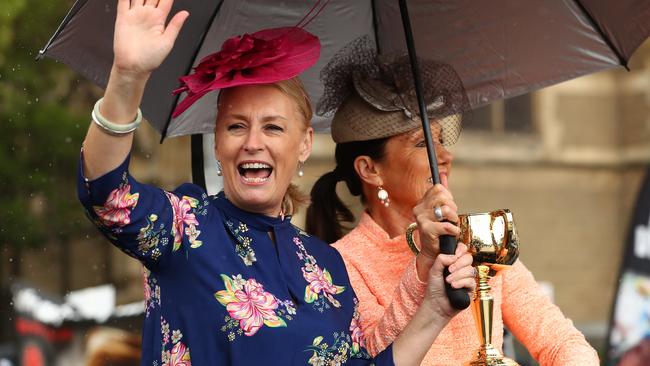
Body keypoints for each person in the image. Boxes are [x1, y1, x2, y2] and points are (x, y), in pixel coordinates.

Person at [77, 1, 476, 365]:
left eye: (273, 127)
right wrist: (127, 78)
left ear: (304, 144)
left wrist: (435, 310)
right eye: (236, 127)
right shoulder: (185, 227)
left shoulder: (326, 266)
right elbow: (107, 194)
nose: (253, 143)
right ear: (217, 142)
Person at [306, 39, 600, 365]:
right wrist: (420, 272)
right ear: (370, 169)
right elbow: (374, 357)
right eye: (423, 145)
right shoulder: (340, 265)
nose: (444, 157)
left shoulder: (477, 239)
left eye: (442, 142)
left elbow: (561, 342)